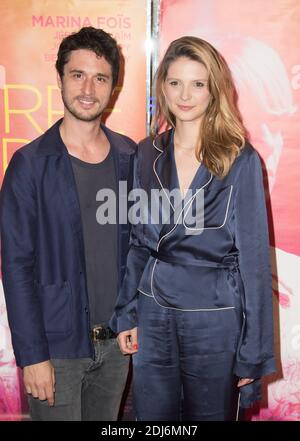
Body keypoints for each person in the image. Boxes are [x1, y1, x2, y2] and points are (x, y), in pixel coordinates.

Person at [113, 36, 276, 421]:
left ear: (214, 90)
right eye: (175, 83)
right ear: (162, 87)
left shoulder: (240, 160)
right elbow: (138, 241)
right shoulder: (146, 152)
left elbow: (254, 262)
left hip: (215, 315)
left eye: (198, 84)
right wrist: (126, 312)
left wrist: (253, 352)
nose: (185, 95)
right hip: (153, 311)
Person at [0, 26, 136, 421]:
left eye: (100, 77)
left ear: (113, 86)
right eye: (78, 75)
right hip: (56, 351)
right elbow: (16, 267)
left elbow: (140, 251)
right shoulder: (30, 165)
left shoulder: (130, 156)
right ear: (60, 79)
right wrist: (33, 355)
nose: (88, 88)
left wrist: (135, 318)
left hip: (116, 346)